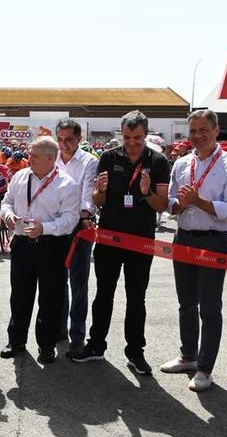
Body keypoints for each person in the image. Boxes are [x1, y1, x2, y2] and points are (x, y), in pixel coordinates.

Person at [70, 110, 169, 375]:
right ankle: (96, 346)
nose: (132, 142)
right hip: (110, 238)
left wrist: (146, 191)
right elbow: (98, 200)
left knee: (136, 298)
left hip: (141, 240)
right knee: (104, 294)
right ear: (121, 134)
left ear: (146, 134)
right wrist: (99, 191)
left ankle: (135, 352)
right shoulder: (109, 157)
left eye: (137, 137)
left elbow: (162, 204)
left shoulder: (158, 161)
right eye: (127, 137)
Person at [160, 110, 227, 391]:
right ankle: (188, 356)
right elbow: (170, 203)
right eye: (193, 130)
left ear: (216, 129)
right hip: (184, 237)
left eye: (203, 130)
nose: (197, 136)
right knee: (186, 303)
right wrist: (179, 205)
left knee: (209, 307)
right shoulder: (182, 163)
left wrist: (199, 201)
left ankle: (205, 368)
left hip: (212, 240)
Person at [0, 136, 79, 364]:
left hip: (52, 247)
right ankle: (16, 341)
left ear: (50, 159)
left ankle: (46, 345)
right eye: (29, 153)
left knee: (51, 297)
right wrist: (8, 216)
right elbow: (6, 202)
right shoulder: (20, 176)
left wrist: (44, 228)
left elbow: (70, 220)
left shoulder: (67, 185)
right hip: (22, 244)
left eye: (34, 155)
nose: (28, 158)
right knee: (20, 296)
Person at [54, 119, 98, 356]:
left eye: (69, 139)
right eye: (60, 139)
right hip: (55, 226)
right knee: (56, 280)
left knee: (79, 283)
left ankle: (77, 335)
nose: (64, 144)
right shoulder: (53, 159)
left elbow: (88, 193)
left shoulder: (89, 162)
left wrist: (83, 217)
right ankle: (58, 329)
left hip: (80, 227)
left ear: (79, 139)